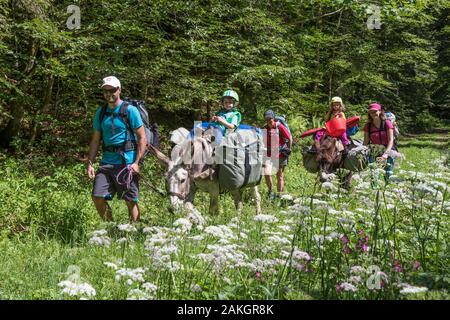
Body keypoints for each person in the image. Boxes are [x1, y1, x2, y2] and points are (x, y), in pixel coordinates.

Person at [86, 76, 147, 222]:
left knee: (130, 200)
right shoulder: (101, 113)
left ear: (119, 90)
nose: (109, 94)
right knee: (97, 197)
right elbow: (95, 140)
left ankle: (135, 232)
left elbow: (142, 138)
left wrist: (136, 162)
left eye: (112, 90)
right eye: (105, 91)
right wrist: (90, 163)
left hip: (127, 162)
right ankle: (111, 229)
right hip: (107, 162)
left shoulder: (130, 111)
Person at [263, 109, 292, 199]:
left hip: (280, 154)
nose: (268, 121)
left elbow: (289, 138)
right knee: (267, 173)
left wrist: (288, 150)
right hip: (268, 154)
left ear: (273, 118)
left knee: (279, 175)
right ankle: (271, 192)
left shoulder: (279, 127)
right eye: (267, 119)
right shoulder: (265, 128)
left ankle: (279, 195)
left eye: (270, 119)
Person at [363, 103, 396, 181]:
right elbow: (365, 142)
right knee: (374, 174)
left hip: (388, 150)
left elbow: (391, 140)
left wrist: (385, 154)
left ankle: (388, 191)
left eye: (375, 111)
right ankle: (374, 191)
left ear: (380, 111)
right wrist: (363, 153)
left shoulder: (387, 123)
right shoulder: (368, 126)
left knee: (389, 174)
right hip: (374, 152)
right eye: (371, 112)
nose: (373, 113)